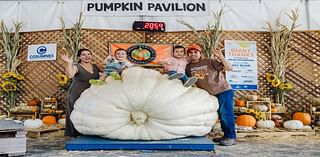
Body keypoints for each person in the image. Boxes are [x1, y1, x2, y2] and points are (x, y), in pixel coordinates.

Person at [185, 44, 236, 146]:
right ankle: (223, 135)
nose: (193, 54)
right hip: (208, 95)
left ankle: (230, 137)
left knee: (225, 114)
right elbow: (192, 81)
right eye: (190, 52)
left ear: (200, 54)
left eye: (196, 52)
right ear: (188, 55)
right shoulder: (188, 67)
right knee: (211, 114)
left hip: (223, 91)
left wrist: (220, 56)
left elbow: (229, 68)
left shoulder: (209, 61)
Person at [61, 48, 103, 137]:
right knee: (75, 113)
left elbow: (107, 72)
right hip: (77, 93)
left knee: (90, 112)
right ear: (79, 57)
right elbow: (70, 75)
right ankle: (74, 134)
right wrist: (69, 63)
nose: (87, 56)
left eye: (89, 54)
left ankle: (88, 132)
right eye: (84, 54)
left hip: (91, 93)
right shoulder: (76, 66)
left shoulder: (95, 66)